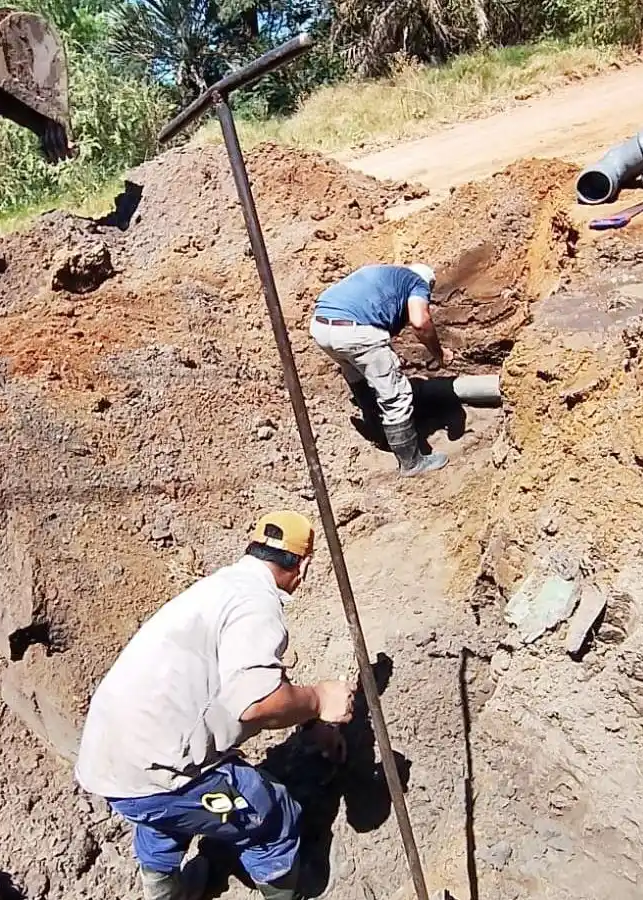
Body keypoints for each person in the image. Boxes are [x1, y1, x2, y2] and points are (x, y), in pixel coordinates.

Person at [74, 511, 355, 900]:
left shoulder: (222, 588)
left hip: (110, 762)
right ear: (303, 566)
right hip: (159, 771)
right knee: (273, 815)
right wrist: (320, 699)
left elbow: (256, 673)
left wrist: (310, 719)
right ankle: (285, 893)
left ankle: (166, 894)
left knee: (161, 821)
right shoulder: (257, 606)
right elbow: (258, 703)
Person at [309, 262, 452, 477]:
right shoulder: (417, 283)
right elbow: (420, 322)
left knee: (356, 373)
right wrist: (439, 354)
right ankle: (411, 463)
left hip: (321, 326)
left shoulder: (384, 273)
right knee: (396, 395)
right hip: (355, 332)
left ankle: (377, 428)